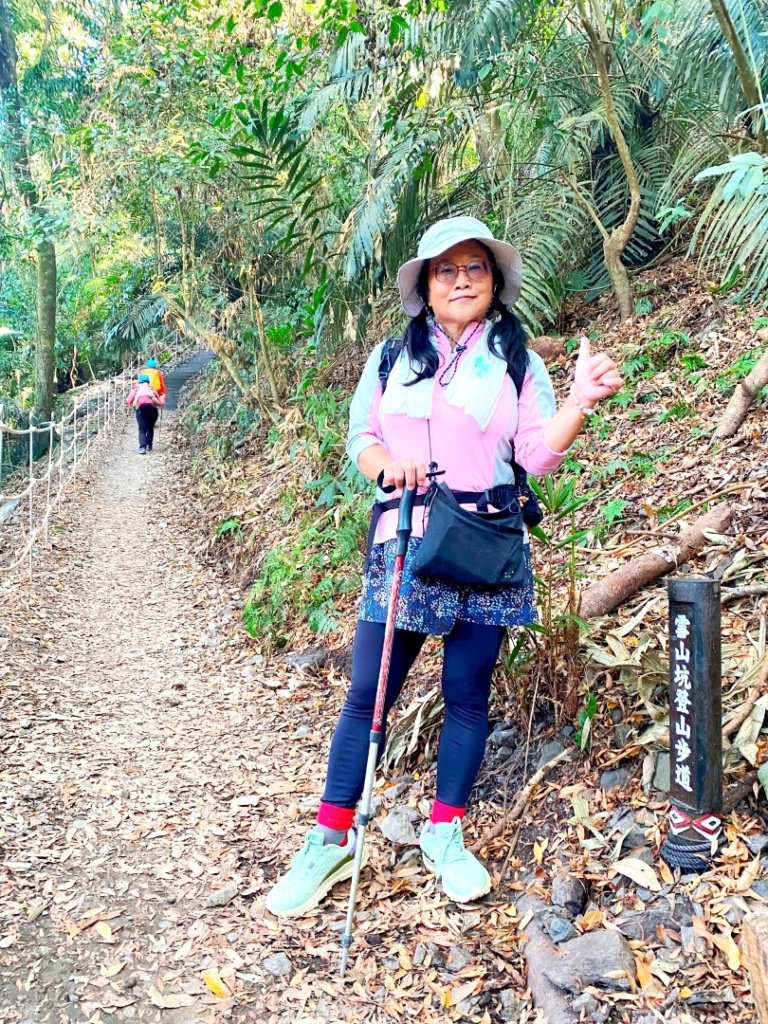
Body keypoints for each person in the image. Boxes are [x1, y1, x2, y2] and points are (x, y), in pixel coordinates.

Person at [266, 216, 622, 918]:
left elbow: (535, 453)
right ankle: (332, 838)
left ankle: (445, 831)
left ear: (494, 283)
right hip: (409, 534)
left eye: (476, 269)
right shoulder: (391, 357)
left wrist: (580, 403)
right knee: (370, 689)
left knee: (467, 693)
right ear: (425, 285)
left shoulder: (517, 359)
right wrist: (385, 467)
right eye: (446, 270)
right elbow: (362, 436)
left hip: (488, 541)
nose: (462, 281)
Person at [126, 373, 161, 454]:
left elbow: (128, 401)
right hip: (152, 410)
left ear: (139, 382)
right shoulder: (151, 389)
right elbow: (159, 402)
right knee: (150, 427)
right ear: (148, 382)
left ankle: (142, 447)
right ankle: (149, 445)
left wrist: (136, 399)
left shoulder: (136, 390)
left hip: (141, 410)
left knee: (142, 429)